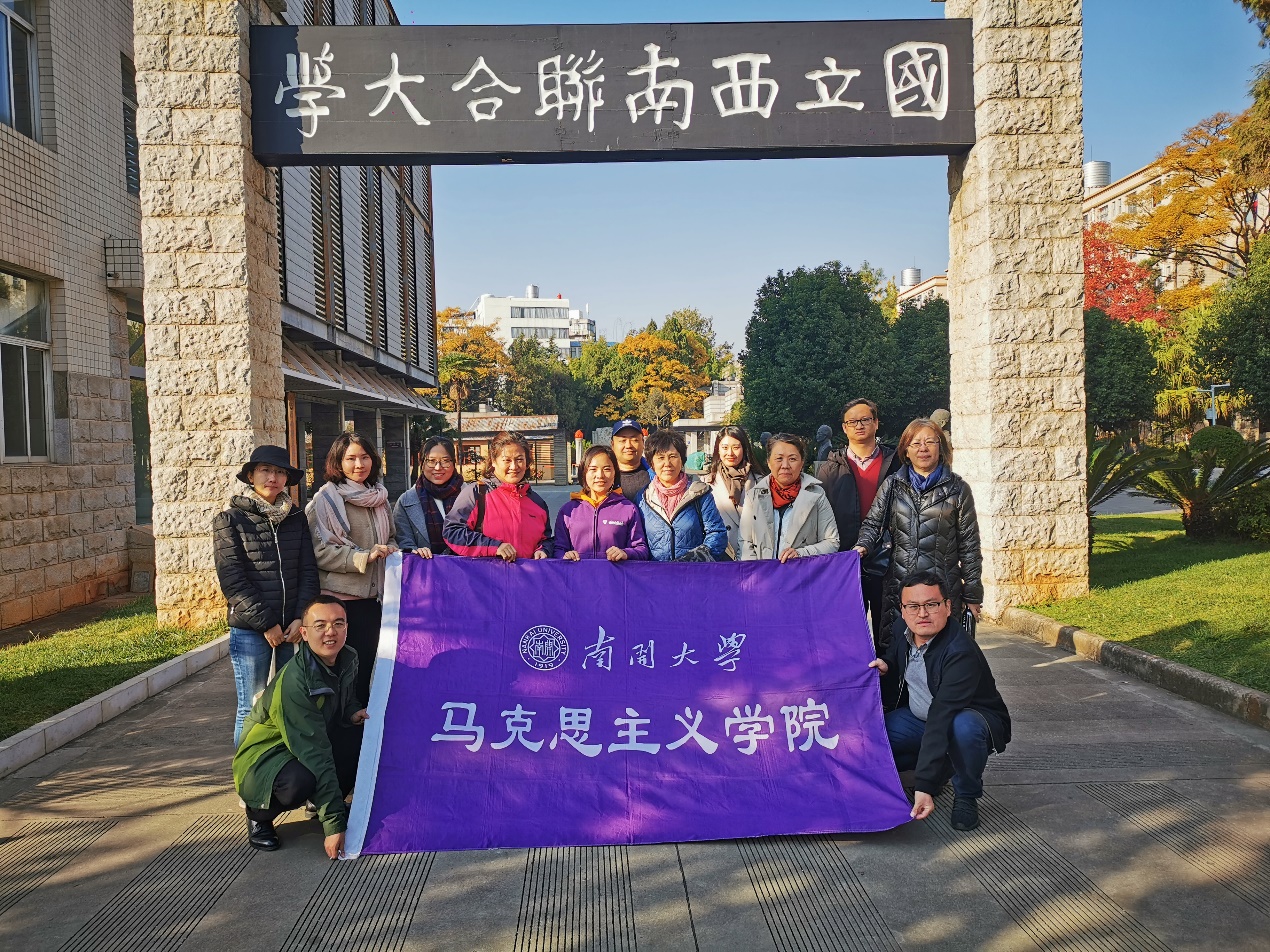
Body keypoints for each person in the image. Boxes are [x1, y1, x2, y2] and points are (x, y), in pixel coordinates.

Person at [867, 572, 1010, 831]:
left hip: (963, 717)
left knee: (964, 728)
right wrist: (887, 665)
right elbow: (896, 656)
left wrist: (923, 786)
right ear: (903, 610)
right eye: (913, 606)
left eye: (931, 604)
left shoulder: (960, 651)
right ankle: (943, 766)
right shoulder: (902, 629)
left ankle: (966, 795)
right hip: (917, 718)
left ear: (947, 606)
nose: (922, 614)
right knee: (873, 736)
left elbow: (942, 714)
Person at [234, 595, 368, 855]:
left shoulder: (348, 657)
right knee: (299, 781)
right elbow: (315, 752)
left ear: (347, 628)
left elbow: (346, 698)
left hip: (305, 742)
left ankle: (322, 804)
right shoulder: (295, 681)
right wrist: (335, 826)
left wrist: (353, 713)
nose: (330, 632)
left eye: (338, 623)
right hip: (266, 758)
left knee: (362, 736)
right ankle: (258, 813)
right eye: (320, 625)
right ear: (304, 634)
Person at [214, 445, 320, 746]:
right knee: (252, 706)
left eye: (279, 472)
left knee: (290, 702)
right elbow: (232, 580)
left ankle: (281, 768)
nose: (273, 477)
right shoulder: (230, 520)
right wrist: (266, 624)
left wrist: (300, 617)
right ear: (251, 475)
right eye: (265, 470)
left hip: (293, 628)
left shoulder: (296, 517)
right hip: (251, 629)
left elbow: (308, 570)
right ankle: (248, 772)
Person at [853, 418, 983, 642]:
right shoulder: (893, 485)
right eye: (916, 443)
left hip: (942, 589)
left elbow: (969, 545)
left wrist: (972, 595)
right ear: (906, 450)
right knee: (898, 651)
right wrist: (862, 545)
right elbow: (873, 524)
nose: (923, 448)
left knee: (941, 653)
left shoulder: (958, 489)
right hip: (900, 587)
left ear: (941, 448)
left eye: (930, 442)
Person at [307, 433, 398, 706]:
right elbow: (319, 552)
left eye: (365, 457)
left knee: (366, 673)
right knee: (340, 676)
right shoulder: (325, 501)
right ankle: (339, 730)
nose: (359, 464)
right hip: (339, 603)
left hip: (374, 601)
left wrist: (390, 549)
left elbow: (391, 537)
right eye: (351, 458)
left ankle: (361, 730)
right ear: (338, 462)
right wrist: (363, 557)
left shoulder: (380, 498)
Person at [817, 398, 904, 641]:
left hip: (889, 559)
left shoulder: (896, 463)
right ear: (844, 428)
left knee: (888, 632)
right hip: (846, 560)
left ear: (876, 423)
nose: (859, 425)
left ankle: (886, 668)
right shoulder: (830, 469)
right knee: (848, 634)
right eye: (852, 421)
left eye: (865, 419)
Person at [444, 431, 554, 561]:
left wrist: (543, 550)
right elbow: (452, 533)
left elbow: (546, 539)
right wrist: (493, 546)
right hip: (485, 573)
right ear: (493, 461)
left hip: (527, 574)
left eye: (519, 459)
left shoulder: (538, 503)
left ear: (527, 462)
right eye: (507, 460)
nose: (514, 466)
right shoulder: (477, 494)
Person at [739, 433, 840, 562]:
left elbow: (831, 541)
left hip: (801, 571)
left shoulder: (816, 495)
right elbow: (745, 542)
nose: (785, 465)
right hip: (762, 572)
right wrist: (757, 570)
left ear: (802, 463)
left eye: (792, 459)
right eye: (779, 459)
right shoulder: (754, 496)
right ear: (769, 462)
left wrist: (801, 553)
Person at [638, 428, 729, 562]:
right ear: (652, 463)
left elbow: (717, 533)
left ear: (682, 460)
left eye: (673, 456)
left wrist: (691, 561)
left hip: (693, 572)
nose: (667, 464)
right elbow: (638, 542)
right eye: (661, 458)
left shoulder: (699, 493)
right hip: (656, 573)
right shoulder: (643, 498)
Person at [554, 445, 650, 562]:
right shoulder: (568, 511)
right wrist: (565, 556)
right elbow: (558, 549)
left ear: (615, 473)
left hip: (614, 574)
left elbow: (641, 550)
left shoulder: (628, 509)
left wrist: (625, 553)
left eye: (607, 469)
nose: (600, 475)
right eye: (593, 469)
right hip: (578, 573)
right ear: (584, 472)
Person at [393, 435, 463, 558]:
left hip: (466, 567)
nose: (438, 468)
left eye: (445, 461)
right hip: (425, 568)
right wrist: (416, 551)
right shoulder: (406, 501)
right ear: (422, 462)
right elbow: (403, 542)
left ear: (454, 461)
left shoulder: (471, 495)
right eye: (431, 461)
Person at [701, 425, 757, 560]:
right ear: (718, 449)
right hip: (720, 557)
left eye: (736, 447)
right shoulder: (705, 484)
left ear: (744, 448)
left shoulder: (761, 482)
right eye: (725, 447)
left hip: (753, 557)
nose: (730, 453)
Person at [611, 417, 652, 501]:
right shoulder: (603, 478)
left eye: (634, 440)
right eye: (623, 440)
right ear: (612, 444)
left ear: (643, 443)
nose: (628, 445)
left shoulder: (657, 474)